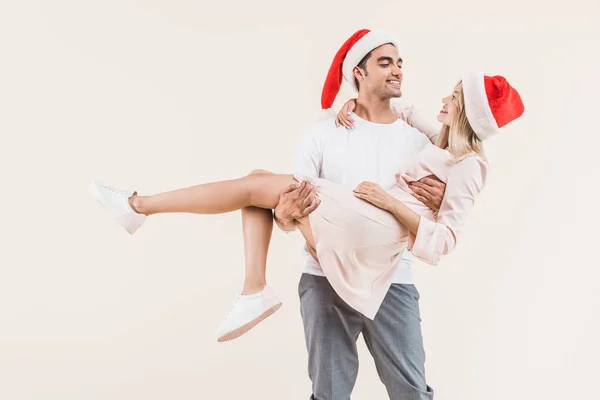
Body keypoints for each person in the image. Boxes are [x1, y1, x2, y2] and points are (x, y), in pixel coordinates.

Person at [90, 29, 524, 399]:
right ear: (359, 71)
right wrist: (287, 209)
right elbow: (285, 215)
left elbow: (448, 199)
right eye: (386, 62)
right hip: (324, 271)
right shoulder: (325, 132)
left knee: (411, 389)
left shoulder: (424, 141)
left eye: (400, 63)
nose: (398, 72)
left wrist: (405, 201)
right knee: (328, 389)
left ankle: (145, 211)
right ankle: (244, 281)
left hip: (392, 274)